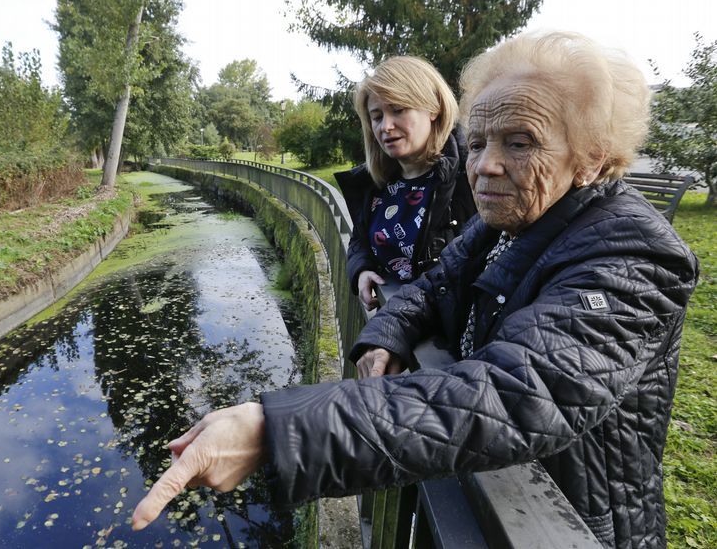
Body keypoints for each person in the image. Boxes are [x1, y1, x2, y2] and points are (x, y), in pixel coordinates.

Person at [132, 32, 699, 549]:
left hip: (576, 525)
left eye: (520, 142)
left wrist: (279, 430)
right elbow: (432, 284)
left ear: (593, 156)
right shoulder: (505, 220)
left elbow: (517, 394)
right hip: (487, 499)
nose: (484, 167)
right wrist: (388, 333)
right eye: (477, 144)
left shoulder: (633, 255)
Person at [335, 56, 476, 310]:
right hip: (392, 328)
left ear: (433, 109)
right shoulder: (375, 183)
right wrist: (362, 269)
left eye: (398, 110)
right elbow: (361, 239)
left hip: (442, 344)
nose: (386, 126)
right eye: (376, 117)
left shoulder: (470, 176)